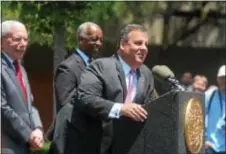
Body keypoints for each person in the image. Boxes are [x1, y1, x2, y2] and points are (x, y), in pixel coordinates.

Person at [68, 24, 156, 154]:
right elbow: (85, 98)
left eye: (146, 44)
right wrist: (120, 109)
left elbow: (151, 106)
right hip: (99, 147)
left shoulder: (146, 73)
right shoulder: (100, 67)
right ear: (123, 44)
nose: (144, 48)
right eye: (138, 43)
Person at [48, 22, 103, 154]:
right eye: (94, 39)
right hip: (72, 140)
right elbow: (66, 102)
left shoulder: (97, 66)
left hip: (92, 138)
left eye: (101, 40)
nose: (99, 43)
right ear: (80, 39)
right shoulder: (67, 67)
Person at [1, 20, 44, 154]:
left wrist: (37, 129)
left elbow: (30, 105)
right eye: (17, 39)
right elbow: (2, 108)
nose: (23, 44)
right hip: (6, 145)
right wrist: (27, 134)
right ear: (1, 42)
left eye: (25, 39)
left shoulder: (21, 70)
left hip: (24, 145)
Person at [205, 65, 225, 154]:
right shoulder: (209, 95)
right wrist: (202, 140)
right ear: (217, 79)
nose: (225, 80)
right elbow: (197, 118)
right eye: (222, 78)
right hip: (211, 147)